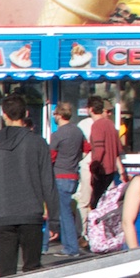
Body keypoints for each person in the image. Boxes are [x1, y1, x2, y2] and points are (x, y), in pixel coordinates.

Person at [0, 94, 56, 277]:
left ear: (3, 114)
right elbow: (48, 182)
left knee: (5, 274)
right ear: (27, 113)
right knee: (33, 271)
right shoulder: (38, 143)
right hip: (31, 214)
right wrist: (54, 219)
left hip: (2, 215)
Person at [47, 100, 87, 256]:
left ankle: (71, 248)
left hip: (59, 175)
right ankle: (45, 245)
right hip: (73, 175)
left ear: (58, 115)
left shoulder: (57, 135)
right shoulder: (77, 131)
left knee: (64, 214)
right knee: (64, 211)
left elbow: (50, 157)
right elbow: (87, 148)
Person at [84, 96, 121, 210]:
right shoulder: (110, 124)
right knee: (106, 205)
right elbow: (118, 149)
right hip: (111, 171)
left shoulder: (97, 125)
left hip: (101, 170)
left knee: (95, 205)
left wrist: (93, 167)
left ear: (90, 109)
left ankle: (95, 227)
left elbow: (100, 150)